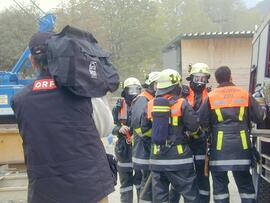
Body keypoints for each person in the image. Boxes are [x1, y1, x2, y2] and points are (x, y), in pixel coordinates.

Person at [11, 32, 115, 203]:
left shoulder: (19, 100)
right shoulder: (84, 90)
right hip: (90, 189)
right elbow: (105, 128)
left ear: (31, 59)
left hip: (45, 191)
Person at [199, 66, 266, 203]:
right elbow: (260, 117)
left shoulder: (210, 97)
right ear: (231, 77)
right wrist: (263, 105)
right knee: (246, 186)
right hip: (242, 148)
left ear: (217, 80)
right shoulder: (243, 94)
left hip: (219, 149)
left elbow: (202, 121)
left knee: (220, 188)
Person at [142, 69, 200, 203]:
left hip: (157, 160)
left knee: (160, 198)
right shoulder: (181, 103)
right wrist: (195, 135)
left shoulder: (150, 105)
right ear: (175, 86)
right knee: (190, 195)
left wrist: (158, 136)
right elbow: (194, 127)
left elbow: (144, 130)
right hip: (179, 160)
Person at [170, 63, 211, 203]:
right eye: (197, 78)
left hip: (202, 142)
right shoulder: (182, 94)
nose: (200, 82)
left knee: (203, 177)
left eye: (203, 79)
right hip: (184, 142)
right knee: (179, 176)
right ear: (190, 78)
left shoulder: (210, 94)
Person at [131, 71, 160, 203]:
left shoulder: (152, 99)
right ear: (151, 84)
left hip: (147, 148)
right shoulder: (143, 99)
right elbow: (138, 125)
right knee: (147, 184)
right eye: (157, 83)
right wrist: (151, 138)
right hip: (144, 149)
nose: (160, 86)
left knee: (152, 183)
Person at [112, 77, 142, 203]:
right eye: (131, 90)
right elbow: (110, 127)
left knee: (141, 182)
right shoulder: (118, 106)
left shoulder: (144, 104)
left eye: (136, 90)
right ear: (125, 91)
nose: (134, 93)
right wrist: (119, 128)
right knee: (126, 185)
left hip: (140, 148)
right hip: (123, 149)